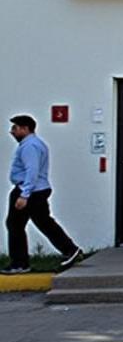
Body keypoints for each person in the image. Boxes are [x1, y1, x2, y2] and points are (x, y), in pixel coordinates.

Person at [3, 115, 82, 275]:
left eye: (15, 128)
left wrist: (24, 195)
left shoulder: (29, 146)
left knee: (15, 225)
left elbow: (32, 171)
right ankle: (70, 249)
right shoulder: (34, 144)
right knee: (43, 222)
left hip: (30, 191)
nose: (12, 132)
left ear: (25, 129)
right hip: (35, 190)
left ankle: (20, 263)